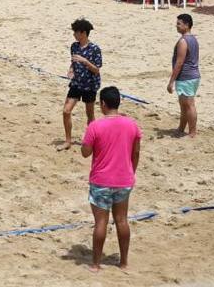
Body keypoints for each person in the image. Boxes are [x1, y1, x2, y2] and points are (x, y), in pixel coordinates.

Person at [80, 86, 142, 272]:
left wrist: (88, 138)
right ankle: (123, 262)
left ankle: (96, 264)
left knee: (101, 223)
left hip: (101, 181)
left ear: (103, 104)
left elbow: (85, 153)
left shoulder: (95, 126)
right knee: (122, 220)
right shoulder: (132, 124)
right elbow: (136, 151)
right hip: (124, 179)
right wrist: (131, 171)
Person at [60, 18, 103, 151]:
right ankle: (68, 141)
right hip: (76, 84)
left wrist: (85, 61)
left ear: (83, 33)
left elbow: (96, 69)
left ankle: (93, 140)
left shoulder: (94, 49)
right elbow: (73, 62)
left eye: (76, 32)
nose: (74, 34)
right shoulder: (74, 46)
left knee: (89, 114)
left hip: (90, 85)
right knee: (66, 111)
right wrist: (71, 70)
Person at [167, 13, 200, 138]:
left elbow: (179, 63)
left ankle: (192, 132)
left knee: (189, 104)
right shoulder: (193, 39)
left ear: (187, 25)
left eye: (179, 24)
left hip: (187, 77)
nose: (177, 26)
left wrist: (171, 81)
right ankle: (181, 128)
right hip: (191, 76)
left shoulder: (183, 41)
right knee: (183, 104)